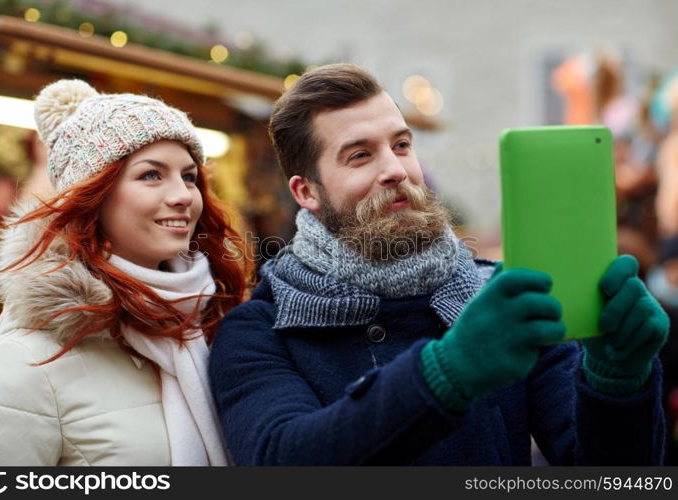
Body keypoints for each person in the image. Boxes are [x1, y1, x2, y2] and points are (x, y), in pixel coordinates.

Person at [209, 63, 669, 466]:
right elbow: (281, 461)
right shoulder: (259, 330)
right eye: (360, 155)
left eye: (402, 145)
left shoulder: (503, 298)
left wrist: (616, 381)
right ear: (306, 193)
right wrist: (445, 372)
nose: (396, 169)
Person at [0, 79, 251, 465]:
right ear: (93, 197)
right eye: (151, 175)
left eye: (189, 176)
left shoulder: (218, 335)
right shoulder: (22, 365)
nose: (183, 196)